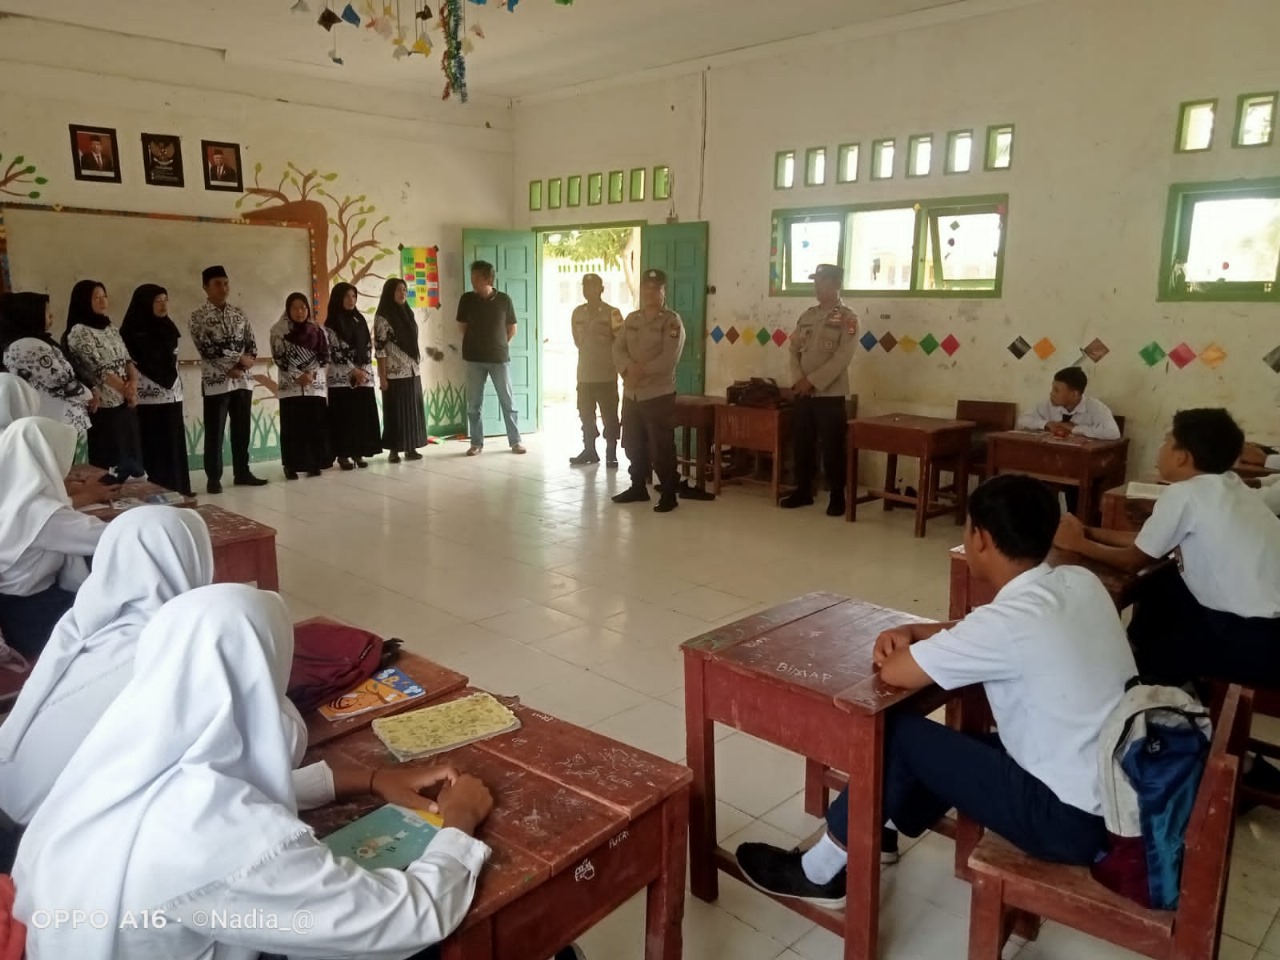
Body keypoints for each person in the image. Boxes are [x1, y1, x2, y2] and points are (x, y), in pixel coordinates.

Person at [12, 584, 497, 960]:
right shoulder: (215, 836)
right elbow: (401, 920)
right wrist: (459, 823)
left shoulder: (109, 767)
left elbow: (215, 799)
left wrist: (368, 780)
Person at [737, 474, 1136, 907]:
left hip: (1066, 821)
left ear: (980, 539)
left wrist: (904, 647)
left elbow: (897, 673)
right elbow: (985, 629)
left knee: (899, 735)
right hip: (1115, 798)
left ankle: (819, 873)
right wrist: (916, 630)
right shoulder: (1079, 581)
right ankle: (880, 830)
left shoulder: (1007, 624)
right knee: (950, 747)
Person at [1054, 408, 1280, 690]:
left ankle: (1145, 690)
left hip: (1252, 642)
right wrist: (1088, 531)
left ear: (1182, 456)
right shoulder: (1231, 486)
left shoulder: (1185, 494)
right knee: (1167, 586)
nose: (1161, 449)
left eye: (1166, 441)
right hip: (1267, 633)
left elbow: (1133, 561)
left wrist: (1078, 544)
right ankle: (1152, 668)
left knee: (1165, 621)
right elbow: (1147, 543)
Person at [0, 419, 106, 659]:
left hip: (8, 613)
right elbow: (109, 535)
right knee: (115, 620)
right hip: (33, 616)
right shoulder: (42, 514)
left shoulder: (9, 498)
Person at [781, 263, 859, 517]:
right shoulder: (807, 316)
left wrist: (813, 381)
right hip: (804, 393)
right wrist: (798, 380)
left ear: (836, 284)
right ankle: (803, 490)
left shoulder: (848, 318)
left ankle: (837, 496)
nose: (817, 286)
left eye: (823, 281)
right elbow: (793, 349)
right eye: (815, 281)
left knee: (833, 447)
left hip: (830, 394)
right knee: (802, 444)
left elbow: (842, 357)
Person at [611, 269, 685, 514]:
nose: (650, 292)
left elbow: (669, 358)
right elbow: (617, 348)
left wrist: (640, 370)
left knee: (661, 446)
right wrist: (626, 368)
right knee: (632, 443)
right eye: (646, 288)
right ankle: (637, 487)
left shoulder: (671, 321)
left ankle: (669, 492)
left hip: (658, 394)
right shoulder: (632, 319)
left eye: (656, 288)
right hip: (632, 393)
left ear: (664, 291)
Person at [189, 265, 267, 494]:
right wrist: (231, 365)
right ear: (205, 287)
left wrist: (243, 365)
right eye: (217, 284)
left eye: (226, 283)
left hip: (243, 380)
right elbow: (206, 347)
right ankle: (214, 478)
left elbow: (251, 344)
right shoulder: (198, 317)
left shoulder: (239, 313)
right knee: (215, 431)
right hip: (216, 382)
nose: (223, 288)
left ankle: (242, 472)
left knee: (242, 429)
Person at [62, 280, 145, 481]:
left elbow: (127, 360)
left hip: (125, 401)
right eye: (96, 297)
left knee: (132, 457)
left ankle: (133, 494)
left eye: (104, 296)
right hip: (105, 405)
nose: (102, 301)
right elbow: (98, 369)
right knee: (111, 461)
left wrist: (133, 385)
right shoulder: (79, 331)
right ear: (84, 301)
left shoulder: (110, 327)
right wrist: (125, 390)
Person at [120, 284, 192, 496]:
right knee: (154, 444)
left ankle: (179, 487)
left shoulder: (168, 327)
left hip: (172, 394)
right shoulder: (131, 331)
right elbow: (132, 362)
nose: (163, 305)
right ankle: (160, 489)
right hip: (147, 398)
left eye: (165, 300)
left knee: (174, 442)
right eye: (157, 301)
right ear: (145, 304)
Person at [0, 292, 94, 438]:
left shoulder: (32, 342)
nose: (51, 315)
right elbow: (61, 381)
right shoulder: (29, 346)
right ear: (30, 315)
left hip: (56, 419)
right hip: (58, 420)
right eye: (46, 311)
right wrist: (89, 396)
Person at [457, 260, 525, 456]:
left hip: (499, 359)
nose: (473, 280)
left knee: (508, 402)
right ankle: (476, 443)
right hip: (474, 358)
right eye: (472, 276)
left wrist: (499, 345)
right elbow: (462, 327)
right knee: (474, 404)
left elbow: (512, 328)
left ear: (488, 279)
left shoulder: (504, 300)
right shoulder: (467, 299)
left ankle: (516, 441)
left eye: (477, 277)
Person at [270, 292, 331, 480]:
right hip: (291, 388)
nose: (300, 312)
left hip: (314, 386)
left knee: (314, 425)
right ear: (288, 310)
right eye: (295, 308)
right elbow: (279, 358)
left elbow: (324, 356)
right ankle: (291, 465)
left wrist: (309, 374)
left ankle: (314, 463)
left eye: (303, 307)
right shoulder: (278, 331)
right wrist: (298, 376)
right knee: (293, 427)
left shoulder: (317, 330)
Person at [568, 273, 624, 468]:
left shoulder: (612, 313)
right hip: (584, 375)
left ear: (602, 289)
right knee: (586, 415)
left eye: (593, 286)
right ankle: (589, 450)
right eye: (585, 286)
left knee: (610, 417)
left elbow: (621, 341)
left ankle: (611, 453)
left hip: (606, 375)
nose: (589, 290)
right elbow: (577, 341)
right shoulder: (577, 313)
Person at [326, 282, 382, 471]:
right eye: (347, 296)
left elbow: (367, 346)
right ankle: (343, 455)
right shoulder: (332, 323)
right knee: (344, 416)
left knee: (360, 416)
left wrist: (363, 371)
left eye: (354, 296)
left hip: (362, 377)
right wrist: (353, 371)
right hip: (341, 378)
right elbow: (334, 351)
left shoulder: (359, 319)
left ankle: (358, 451)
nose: (351, 300)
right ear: (338, 298)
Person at [375, 277, 428, 463]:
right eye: (398, 290)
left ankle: (411, 447)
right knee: (396, 412)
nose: (402, 293)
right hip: (394, 373)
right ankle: (394, 450)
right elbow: (380, 349)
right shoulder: (383, 317)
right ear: (390, 292)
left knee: (412, 411)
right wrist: (382, 377)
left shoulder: (408, 313)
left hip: (412, 370)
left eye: (404, 290)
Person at [1017, 366, 1120, 440]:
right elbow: (1022, 420)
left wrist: (1075, 428)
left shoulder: (1096, 408)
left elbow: (1113, 433)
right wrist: (1047, 424)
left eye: (1056, 390)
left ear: (1074, 394)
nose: (1051, 393)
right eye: (1052, 389)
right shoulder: (1046, 404)